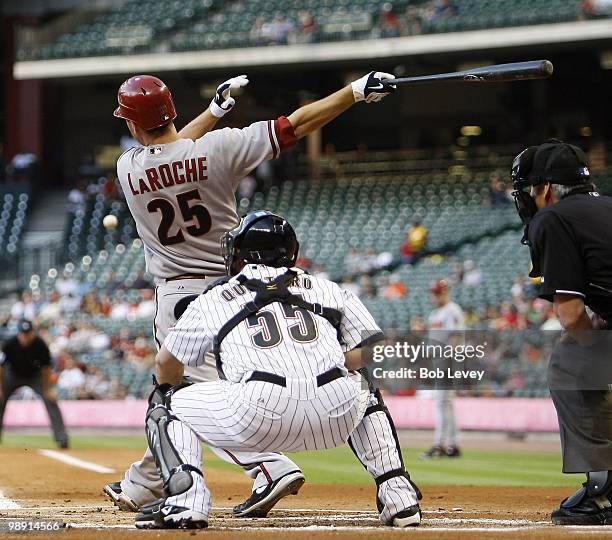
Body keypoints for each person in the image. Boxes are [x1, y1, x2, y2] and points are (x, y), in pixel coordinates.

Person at [105, 70, 399, 517]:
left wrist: (213, 113)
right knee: (202, 391)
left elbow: (169, 150)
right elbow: (294, 124)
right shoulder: (219, 149)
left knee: (183, 397)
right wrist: (354, 92)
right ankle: (144, 483)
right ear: (172, 111)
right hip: (235, 289)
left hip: (179, 295)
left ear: (131, 124)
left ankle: (268, 467)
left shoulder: (129, 169)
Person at [133, 211, 421, 529]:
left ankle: (186, 501)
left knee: (166, 402)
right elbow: (373, 348)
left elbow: (165, 363)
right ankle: (399, 496)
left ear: (242, 253)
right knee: (362, 383)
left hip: (257, 415)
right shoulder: (327, 288)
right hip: (336, 416)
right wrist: (334, 366)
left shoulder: (216, 296)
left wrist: (172, 390)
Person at [511, 139, 612, 525]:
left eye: (530, 190)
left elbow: (570, 315)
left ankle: (604, 491)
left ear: (546, 188)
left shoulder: (552, 218)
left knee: (571, 361)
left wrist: (593, 350)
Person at [0, 320, 68, 448]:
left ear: (32, 333)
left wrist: (47, 389)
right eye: (23, 334)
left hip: (34, 376)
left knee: (51, 400)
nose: (25, 337)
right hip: (12, 375)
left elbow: (46, 368)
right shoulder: (10, 344)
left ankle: (61, 437)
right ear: (19, 334)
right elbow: (1, 367)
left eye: (28, 333)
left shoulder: (40, 345)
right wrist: (0, 388)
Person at [420, 279, 465, 458]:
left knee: (441, 402)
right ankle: (452, 444)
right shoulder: (434, 314)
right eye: (434, 293)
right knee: (446, 403)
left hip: (448, 361)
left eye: (438, 293)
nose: (435, 296)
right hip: (439, 360)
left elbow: (455, 338)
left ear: (445, 292)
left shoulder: (452, 310)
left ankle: (439, 444)